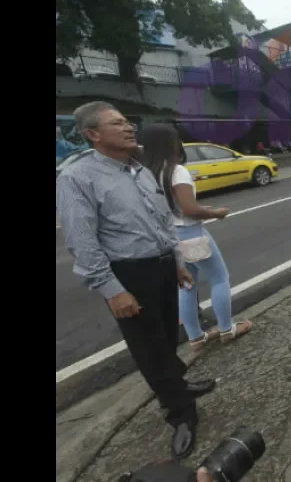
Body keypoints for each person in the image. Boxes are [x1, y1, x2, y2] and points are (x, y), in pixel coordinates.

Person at [56, 102, 216, 459]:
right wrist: (113, 291)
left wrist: (176, 263)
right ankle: (180, 415)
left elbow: (162, 222)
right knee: (149, 349)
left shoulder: (139, 169)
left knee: (165, 338)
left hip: (161, 266)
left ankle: (180, 385)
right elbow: (82, 243)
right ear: (92, 134)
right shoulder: (76, 178)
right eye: (117, 124)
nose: (129, 128)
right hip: (129, 274)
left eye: (128, 122)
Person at [137, 124, 253, 353]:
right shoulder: (176, 170)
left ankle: (196, 337)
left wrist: (199, 208)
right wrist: (215, 213)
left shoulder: (143, 173)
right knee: (220, 279)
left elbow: (173, 207)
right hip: (190, 233)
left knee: (186, 285)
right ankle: (227, 330)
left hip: (168, 237)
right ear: (170, 144)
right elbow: (189, 209)